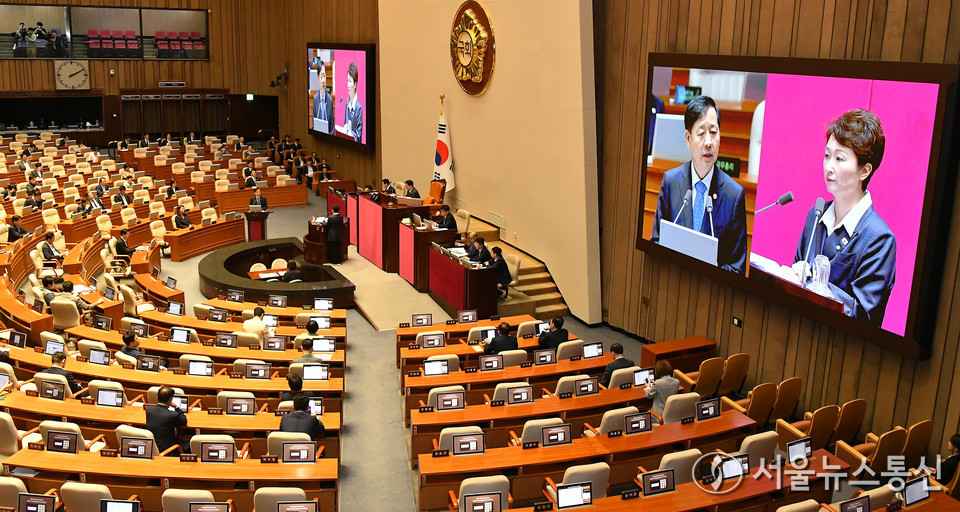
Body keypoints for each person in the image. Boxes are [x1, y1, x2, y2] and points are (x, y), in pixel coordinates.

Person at [790, 109, 895, 327]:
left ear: (864, 171)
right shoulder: (816, 215)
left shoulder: (879, 238)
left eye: (839, 158)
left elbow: (864, 315)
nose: (829, 166)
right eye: (827, 155)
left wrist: (814, 284)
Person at [650, 95, 747, 274]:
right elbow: (656, 243)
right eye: (701, 133)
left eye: (714, 132)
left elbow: (737, 267)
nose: (708, 142)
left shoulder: (734, 196)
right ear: (688, 138)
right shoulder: (671, 182)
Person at [145, 386, 190, 454]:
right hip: (167, 449)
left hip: (152, 447)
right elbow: (184, 421)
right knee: (189, 444)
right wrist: (177, 407)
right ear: (171, 399)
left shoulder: (149, 410)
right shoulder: (172, 415)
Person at [312, 59, 335, 134]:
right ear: (318, 79)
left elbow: (332, 128)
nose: (323, 80)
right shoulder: (315, 98)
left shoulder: (330, 100)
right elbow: (313, 124)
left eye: (324, 76)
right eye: (321, 77)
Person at [343, 62, 363, 142]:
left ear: (355, 84)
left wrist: (350, 134)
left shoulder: (359, 108)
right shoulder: (347, 103)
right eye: (347, 81)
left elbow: (359, 137)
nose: (348, 84)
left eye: (350, 81)